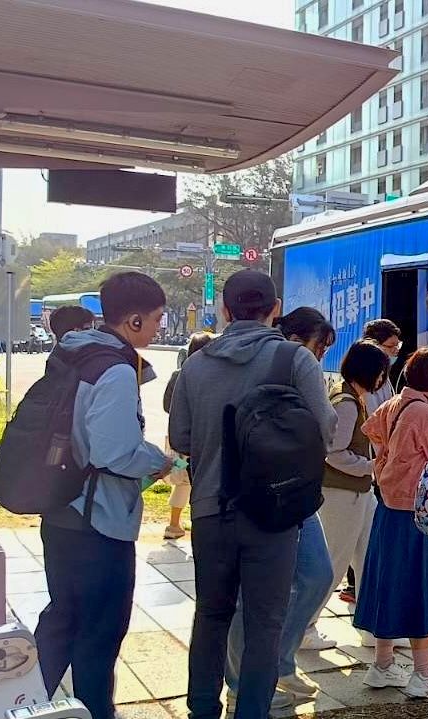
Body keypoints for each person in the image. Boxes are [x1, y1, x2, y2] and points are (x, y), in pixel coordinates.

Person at [168, 270, 337, 719]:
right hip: (274, 514)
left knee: (211, 616)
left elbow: (180, 437)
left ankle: (202, 710)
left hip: (210, 509)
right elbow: (325, 429)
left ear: (225, 310)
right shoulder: (294, 360)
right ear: (275, 309)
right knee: (265, 623)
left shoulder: (196, 365)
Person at [36, 272, 174, 719]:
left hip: (61, 510)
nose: (159, 327)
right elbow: (114, 452)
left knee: (62, 620)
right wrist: (157, 460)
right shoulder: (115, 369)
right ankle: (96, 712)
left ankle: (20, 703)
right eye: (156, 318)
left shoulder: (75, 353)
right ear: (133, 319)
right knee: (99, 633)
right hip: (98, 522)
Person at [223, 307, 337, 712]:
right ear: (296, 338)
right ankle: (242, 681)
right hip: (257, 491)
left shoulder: (293, 362)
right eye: (319, 346)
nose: (320, 356)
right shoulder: (289, 360)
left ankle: (277, 664)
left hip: (295, 491)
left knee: (317, 574)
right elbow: (327, 424)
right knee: (249, 596)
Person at [356, 347, 428, 698]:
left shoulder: (395, 403)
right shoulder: (426, 414)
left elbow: (372, 431)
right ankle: (424, 673)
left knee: (389, 584)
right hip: (418, 514)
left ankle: (382, 664)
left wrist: (389, 462)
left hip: (389, 508)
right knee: (421, 589)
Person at [308, 340, 387, 647]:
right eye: (380, 371)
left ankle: (374, 628)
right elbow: (334, 451)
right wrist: (370, 466)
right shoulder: (347, 402)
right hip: (343, 493)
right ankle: (304, 627)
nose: (382, 378)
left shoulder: (353, 396)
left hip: (359, 493)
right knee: (335, 563)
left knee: (371, 558)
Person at [161, 331, 215, 540]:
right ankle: (194, 525)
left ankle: (174, 524)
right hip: (201, 441)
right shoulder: (211, 375)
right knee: (199, 482)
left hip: (179, 439)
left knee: (182, 480)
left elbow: (166, 405)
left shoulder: (179, 374)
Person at [362, 319, 403, 411]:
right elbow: (372, 414)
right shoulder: (365, 377)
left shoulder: (383, 372)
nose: (396, 350)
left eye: (398, 345)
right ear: (374, 346)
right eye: (391, 346)